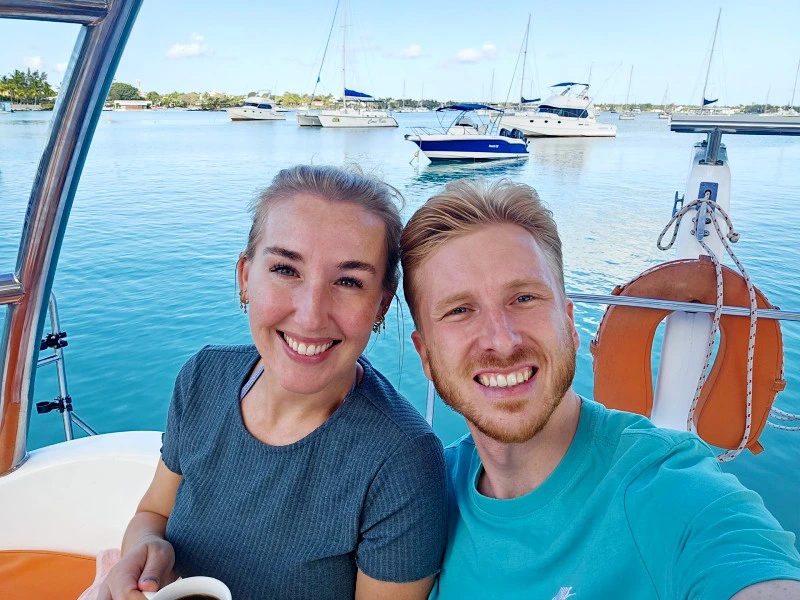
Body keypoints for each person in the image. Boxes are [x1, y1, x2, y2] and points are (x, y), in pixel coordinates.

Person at [399, 178, 800, 599]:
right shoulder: (421, 499)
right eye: (460, 310)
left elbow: (743, 560)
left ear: (570, 324)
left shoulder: (664, 489)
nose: (502, 341)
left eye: (525, 298)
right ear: (426, 355)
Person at [99, 165, 448, 600]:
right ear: (246, 277)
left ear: (381, 303)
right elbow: (153, 512)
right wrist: (146, 550)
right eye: (286, 269)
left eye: (348, 281)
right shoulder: (203, 378)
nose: (311, 315)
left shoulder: (401, 462)